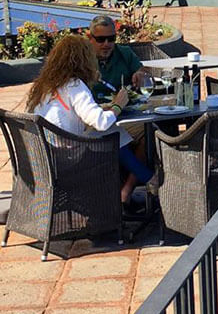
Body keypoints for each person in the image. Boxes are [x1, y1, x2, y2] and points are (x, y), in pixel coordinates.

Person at [26, 34, 154, 204]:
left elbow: (67, 112)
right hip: (68, 160)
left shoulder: (44, 85)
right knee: (110, 131)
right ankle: (149, 182)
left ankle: (145, 182)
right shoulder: (74, 85)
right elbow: (101, 122)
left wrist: (102, 108)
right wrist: (118, 104)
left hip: (45, 156)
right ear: (84, 60)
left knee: (113, 131)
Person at [88, 15, 147, 103]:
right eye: (101, 39)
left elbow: (142, 72)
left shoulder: (124, 53)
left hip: (125, 109)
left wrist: (141, 75)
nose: (106, 44)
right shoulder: (81, 58)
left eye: (111, 39)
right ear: (90, 38)